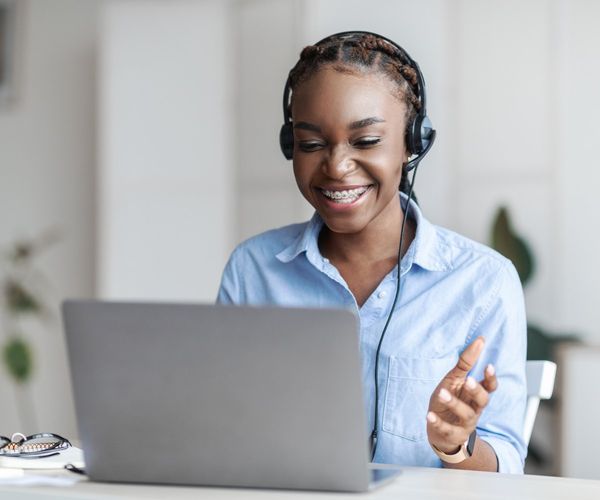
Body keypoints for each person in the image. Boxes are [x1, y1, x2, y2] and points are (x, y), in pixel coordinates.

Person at [217, 31, 527, 473]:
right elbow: (223, 428)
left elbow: (506, 468)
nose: (336, 166)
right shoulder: (253, 269)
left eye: (365, 142)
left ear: (412, 144)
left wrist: (455, 445)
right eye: (310, 144)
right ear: (290, 147)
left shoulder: (483, 282)